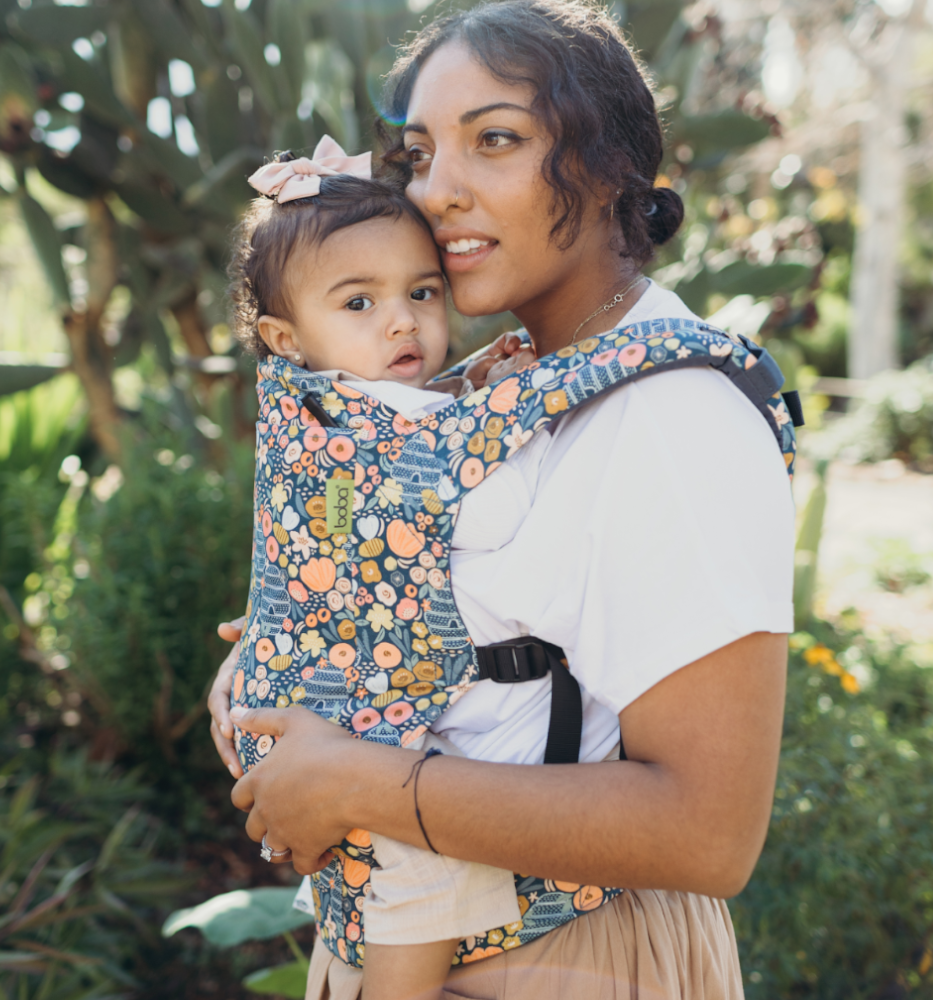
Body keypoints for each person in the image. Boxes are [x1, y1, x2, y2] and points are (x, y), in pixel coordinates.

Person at [210, 2, 796, 997]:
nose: (438, 190)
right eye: (421, 151)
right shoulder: (503, 382)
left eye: (495, 140)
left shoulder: (673, 412)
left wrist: (357, 781)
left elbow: (709, 831)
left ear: (610, 164)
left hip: (566, 960)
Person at [228, 135, 536, 1000]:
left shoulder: (329, 404)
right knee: (428, 871)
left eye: (422, 292)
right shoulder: (360, 421)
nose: (402, 320)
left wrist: (478, 374)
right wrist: (518, 395)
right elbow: (456, 475)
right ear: (285, 338)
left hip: (319, 701)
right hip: (351, 720)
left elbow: (418, 418)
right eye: (358, 302)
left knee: (384, 874)